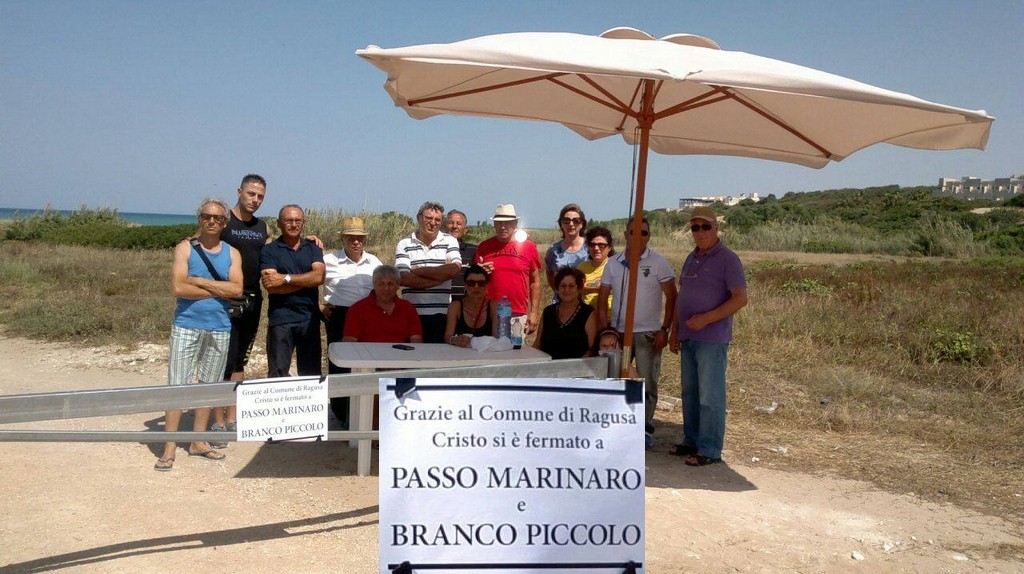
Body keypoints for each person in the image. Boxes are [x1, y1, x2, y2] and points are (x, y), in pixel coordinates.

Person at [156, 198, 242, 471]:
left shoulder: (232, 253)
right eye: (207, 216)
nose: (212, 221)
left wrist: (199, 281)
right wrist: (219, 287)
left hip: (219, 326)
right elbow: (179, 289)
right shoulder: (185, 248)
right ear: (199, 218)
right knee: (177, 385)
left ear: (225, 222)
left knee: (209, 385)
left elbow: (237, 290)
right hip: (186, 324)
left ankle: (198, 441)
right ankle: (170, 446)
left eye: (217, 217)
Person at [669, 206, 747, 466]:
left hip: (712, 339)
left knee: (710, 395)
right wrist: (675, 330)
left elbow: (740, 299)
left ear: (716, 227)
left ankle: (710, 450)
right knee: (690, 392)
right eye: (694, 227)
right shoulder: (692, 258)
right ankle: (691, 441)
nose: (699, 232)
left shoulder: (728, 258)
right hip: (688, 336)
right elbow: (682, 297)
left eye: (705, 226)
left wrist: (706, 318)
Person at [597, 216, 677, 447]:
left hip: (648, 333)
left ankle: (644, 429)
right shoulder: (614, 263)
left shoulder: (658, 262)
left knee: (647, 382)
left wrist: (665, 329)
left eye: (643, 232)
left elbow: (672, 296)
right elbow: (603, 298)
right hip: (619, 333)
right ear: (625, 235)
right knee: (615, 378)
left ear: (648, 236)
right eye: (633, 232)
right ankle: (617, 425)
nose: (638, 236)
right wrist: (605, 330)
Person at [210, 174, 268, 445]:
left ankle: (232, 418)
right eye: (251, 194)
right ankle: (217, 421)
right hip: (225, 300)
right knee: (223, 358)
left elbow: (274, 247)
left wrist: (310, 238)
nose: (255, 200)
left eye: (260, 196)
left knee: (241, 360)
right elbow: (200, 245)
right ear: (239, 191)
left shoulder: (262, 226)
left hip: (253, 300)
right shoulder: (224, 221)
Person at [321, 216, 382, 427]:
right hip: (339, 317)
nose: (356, 242)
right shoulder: (329, 261)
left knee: (367, 365)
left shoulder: (374, 262)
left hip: (368, 317)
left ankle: (365, 414)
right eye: (350, 238)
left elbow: (383, 289)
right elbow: (311, 283)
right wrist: (320, 306)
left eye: (359, 238)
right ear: (343, 239)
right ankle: (341, 414)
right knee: (340, 365)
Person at [260, 205, 325, 378]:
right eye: (289, 220)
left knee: (311, 375)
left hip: (309, 320)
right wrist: (307, 280)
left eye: (298, 220)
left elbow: (319, 277)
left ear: (304, 223)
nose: (294, 224)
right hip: (281, 320)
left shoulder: (313, 248)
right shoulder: (269, 250)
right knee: (278, 373)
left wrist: (286, 278)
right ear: (279, 223)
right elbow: (271, 286)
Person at [395, 202, 462, 343]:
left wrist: (419, 270)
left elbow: (454, 269)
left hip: (441, 315)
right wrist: (441, 276)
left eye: (437, 220)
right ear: (419, 218)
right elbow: (403, 278)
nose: (433, 223)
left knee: (437, 361)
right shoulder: (405, 244)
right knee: (411, 360)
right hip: (412, 314)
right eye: (428, 218)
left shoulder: (450, 241)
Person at [475, 204, 543, 335]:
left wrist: (534, 312)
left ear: (515, 223)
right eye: (499, 223)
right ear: (494, 224)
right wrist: (480, 271)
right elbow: (474, 279)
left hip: (517, 314)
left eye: (507, 223)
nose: (503, 227)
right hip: (487, 312)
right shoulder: (484, 247)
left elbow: (535, 282)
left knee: (514, 354)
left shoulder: (528, 247)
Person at [343, 265, 424, 344]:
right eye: (381, 284)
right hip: (367, 355)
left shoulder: (408, 308)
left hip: (400, 355)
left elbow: (416, 340)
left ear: (397, 285)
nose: (386, 288)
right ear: (374, 285)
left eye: (390, 284)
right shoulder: (357, 309)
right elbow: (350, 343)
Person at [533, 267, 597, 359]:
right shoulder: (548, 312)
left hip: (577, 369)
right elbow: (537, 344)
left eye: (571, 286)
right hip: (547, 368)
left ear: (578, 288)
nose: (567, 290)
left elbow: (591, 349)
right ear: (557, 288)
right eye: (563, 286)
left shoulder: (588, 313)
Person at [444, 264, 498, 347]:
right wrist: (455, 340)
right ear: (465, 286)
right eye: (471, 283)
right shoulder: (455, 306)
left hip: (486, 353)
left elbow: (496, 337)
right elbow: (447, 336)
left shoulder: (493, 306)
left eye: (481, 283)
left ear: (486, 286)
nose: (476, 287)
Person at [544, 203, 589, 291]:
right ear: (561, 224)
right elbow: (550, 274)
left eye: (576, 221)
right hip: (562, 301)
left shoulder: (590, 247)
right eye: (566, 221)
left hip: (586, 301)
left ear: (582, 224)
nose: (571, 224)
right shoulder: (554, 250)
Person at [577, 226, 614, 312]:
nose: (596, 249)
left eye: (601, 245)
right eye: (592, 245)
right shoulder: (581, 268)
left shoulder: (616, 267)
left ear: (609, 247)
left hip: (611, 319)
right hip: (587, 318)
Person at [445, 209, 477, 300]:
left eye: (459, 223)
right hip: (440, 305)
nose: (454, 226)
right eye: (451, 223)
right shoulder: (436, 250)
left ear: (465, 230)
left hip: (466, 307)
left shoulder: (474, 251)